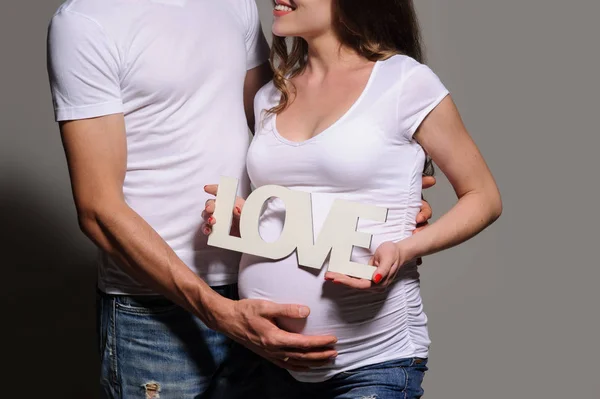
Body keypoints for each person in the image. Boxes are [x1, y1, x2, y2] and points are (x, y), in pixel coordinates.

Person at [46, 0, 437, 397]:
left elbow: (284, 132)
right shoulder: (87, 21)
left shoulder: (237, 3)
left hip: (263, 301)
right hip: (156, 313)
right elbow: (97, 209)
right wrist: (220, 313)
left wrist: (383, 204)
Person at [203, 0, 502, 398]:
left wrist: (404, 248)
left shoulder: (404, 82)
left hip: (372, 363)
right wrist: (246, 225)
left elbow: (483, 196)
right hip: (267, 361)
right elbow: (296, 204)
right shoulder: (270, 95)